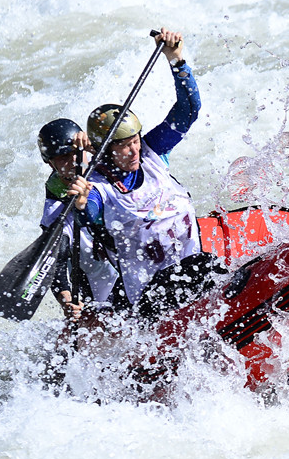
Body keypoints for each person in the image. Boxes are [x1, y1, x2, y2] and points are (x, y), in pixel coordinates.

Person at [68, 28, 214, 314]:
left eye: (135, 140)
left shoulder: (153, 151)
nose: (134, 150)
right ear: (105, 150)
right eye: (123, 146)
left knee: (207, 266)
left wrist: (176, 60)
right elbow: (90, 214)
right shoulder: (99, 187)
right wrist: (82, 202)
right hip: (152, 297)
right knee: (202, 268)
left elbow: (188, 110)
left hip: (191, 268)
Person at [37, 118, 120, 319]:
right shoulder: (55, 202)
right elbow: (54, 260)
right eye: (63, 157)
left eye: (75, 153)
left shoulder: (102, 163)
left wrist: (93, 145)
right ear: (50, 164)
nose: (73, 160)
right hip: (95, 281)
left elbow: (133, 152)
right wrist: (66, 299)